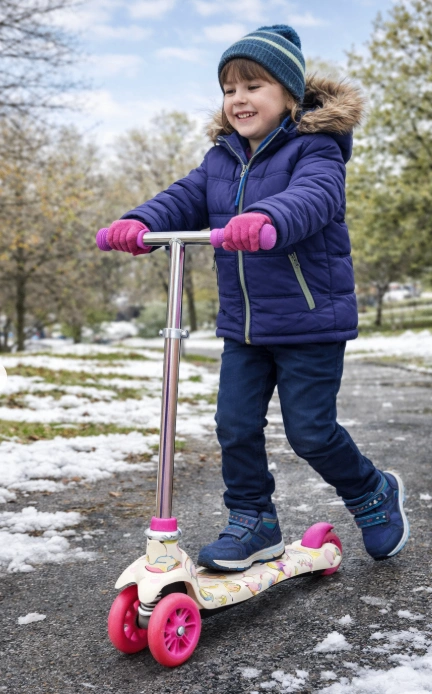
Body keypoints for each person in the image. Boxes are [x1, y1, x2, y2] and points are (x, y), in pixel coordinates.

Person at [100, 25, 409, 570]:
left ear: (289, 95)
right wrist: (140, 221)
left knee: (310, 432)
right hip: (244, 327)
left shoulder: (317, 148)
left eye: (253, 86)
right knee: (235, 425)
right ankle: (253, 520)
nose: (238, 99)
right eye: (229, 89)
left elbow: (313, 197)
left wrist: (266, 217)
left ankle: (372, 492)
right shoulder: (220, 159)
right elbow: (183, 198)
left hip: (310, 321)